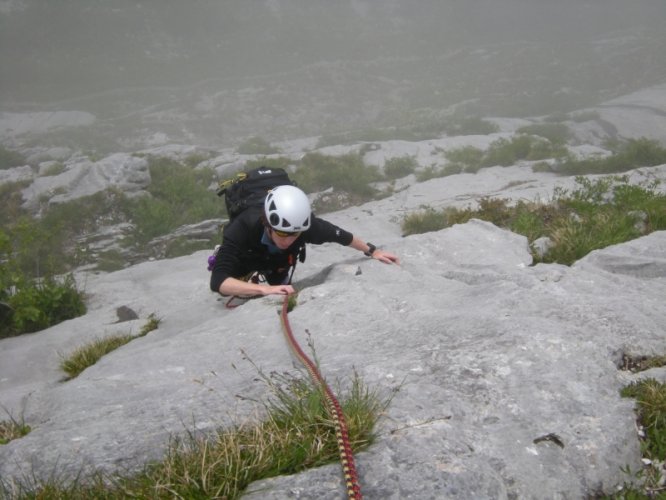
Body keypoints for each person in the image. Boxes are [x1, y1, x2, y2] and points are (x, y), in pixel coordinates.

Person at [209, 185, 400, 297]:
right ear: (268, 224)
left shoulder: (306, 226)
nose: (289, 240)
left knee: (281, 282)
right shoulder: (244, 228)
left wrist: (373, 251)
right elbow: (218, 282)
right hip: (249, 253)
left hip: (279, 260)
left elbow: (342, 236)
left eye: (295, 234)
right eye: (283, 233)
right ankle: (229, 257)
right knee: (234, 284)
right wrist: (263, 289)